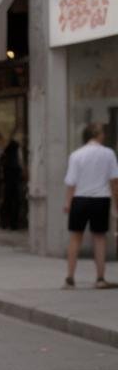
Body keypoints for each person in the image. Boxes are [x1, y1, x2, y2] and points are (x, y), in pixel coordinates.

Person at [63, 122, 118, 289]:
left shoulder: (76, 155)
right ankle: (100, 278)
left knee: (75, 237)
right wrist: (116, 204)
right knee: (99, 238)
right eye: (102, 132)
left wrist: (68, 202)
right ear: (97, 134)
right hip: (101, 199)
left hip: (80, 199)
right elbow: (114, 181)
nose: (104, 135)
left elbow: (71, 182)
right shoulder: (108, 153)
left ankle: (70, 278)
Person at [0, 132, 24, 231]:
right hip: (15, 175)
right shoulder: (16, 148)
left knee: (7, 200)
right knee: (15, 200)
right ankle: (14, 224)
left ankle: (5, 222)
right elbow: (20, 162)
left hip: (8, 176)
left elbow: (1, 161)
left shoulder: (7, 149)